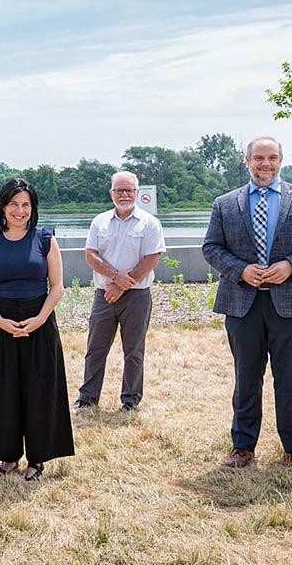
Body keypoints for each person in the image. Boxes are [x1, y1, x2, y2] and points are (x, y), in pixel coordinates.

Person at [202, 136, 292, 474]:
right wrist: (240, 270)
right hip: (242, 303)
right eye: (259, 157)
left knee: (290, 380)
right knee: (246, 378)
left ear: (281, 160)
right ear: (247, 161)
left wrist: (290, 266)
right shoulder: (224, 203)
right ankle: (243, 447)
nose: (265, 163)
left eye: (272, 157)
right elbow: (212, 249)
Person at [0, 178, 74, 481]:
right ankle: (7, 457)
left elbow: (57, 286)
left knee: (40, 389)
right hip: (0, 324)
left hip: (39, 322)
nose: (20, 210)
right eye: (14, 204)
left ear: (33, 208)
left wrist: (41, 318)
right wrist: (0, 321)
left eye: (25, 204)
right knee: (3, 391)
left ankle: (37, 460)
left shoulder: (45, 239)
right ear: (3, 206)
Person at [72, 171, 166, 412]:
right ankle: (88, 398)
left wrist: (122, 284)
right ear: (111, 193)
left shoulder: (149, 223)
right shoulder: (99, 221)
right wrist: (114, 278)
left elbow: (152, 259)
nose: (124, 194)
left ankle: (130, 400)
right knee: (95, 348)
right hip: (104, 296)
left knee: (134, 350)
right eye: (119, 190)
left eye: (129, 190)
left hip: (137, 296)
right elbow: (90, 255)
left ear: (137, 193)